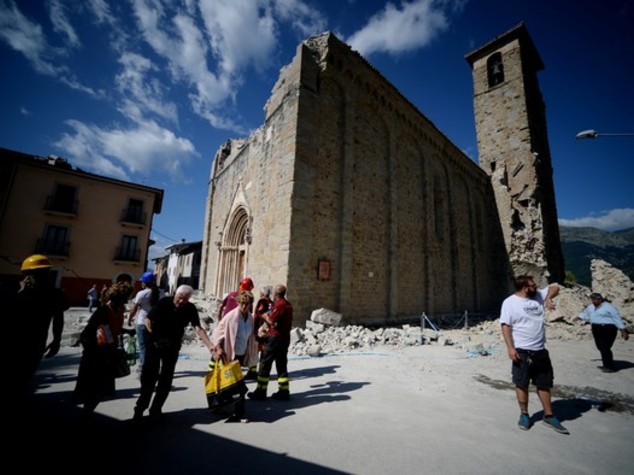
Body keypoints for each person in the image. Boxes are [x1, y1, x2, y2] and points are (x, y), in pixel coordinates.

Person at [133, 284, 214, 422]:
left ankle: (156, 409)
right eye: (180, 298)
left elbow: (198, 328)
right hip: (155, 345)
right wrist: (152, 332)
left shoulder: (190, 308)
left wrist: (211, 346)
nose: (181, 301)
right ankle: (140, 409)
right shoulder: (164, 302)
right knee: (149, 379)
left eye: (185, 299)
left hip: (172, 348)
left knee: (166, 380)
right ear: (175, 294)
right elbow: (148, 319)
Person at [500, 275, 569, 434]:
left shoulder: (538, 295)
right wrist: (510, 348)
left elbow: (556, 286)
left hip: (540, 350)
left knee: (544, 384)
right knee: (521, 383)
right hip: (521, 351)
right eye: (532, 285)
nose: (536, 286)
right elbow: (505, 326)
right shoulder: (509, 303)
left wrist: (548, 298)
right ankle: (524, 414)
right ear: (525, 287)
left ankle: (549, 415)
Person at [9, 254, 69, 404]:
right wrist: (56, 340)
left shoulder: (52, 294)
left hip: (32, 343)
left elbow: (58, 318)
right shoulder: (16, 291)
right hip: (25, 342)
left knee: (22, 376)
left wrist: (57, 340)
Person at [73, 281, 133, 415]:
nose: (127, 300)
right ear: (117, 297)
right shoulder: (102, 311)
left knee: (100, 391)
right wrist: (96, 351)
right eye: (126, 297)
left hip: (108, 355)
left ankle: (86, 413)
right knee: (92, 390)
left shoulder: (120, 309)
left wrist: (126, 331)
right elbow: (93, 334)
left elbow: (113, 329)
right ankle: (85, 415)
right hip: (96, 356)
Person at [211, 290, 258, 422]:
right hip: (230, 355)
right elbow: (217, 332)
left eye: (247, 303)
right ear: (238, 302)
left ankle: (217, 404)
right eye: (242, 303)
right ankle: (239, 413)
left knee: (230, 384)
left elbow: (251, 335)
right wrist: (219, 347)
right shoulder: (230, 317)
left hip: (241, 354)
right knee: (238, 386)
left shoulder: (250, 318)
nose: (244, 306)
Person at [248, 284, 293, 401]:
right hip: (285, 338)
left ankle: (260, 391)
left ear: (276, 294)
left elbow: (272, 320)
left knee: (265, 364)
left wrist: (263, 315)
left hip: (275, 338)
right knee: (281, 364)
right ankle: (284, 391)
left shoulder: (280, 305)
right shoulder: (288, 305)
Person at [576, 293, 629, 372]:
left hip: (608, 328)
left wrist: (623, 330)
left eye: (595, 299)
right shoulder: (591, 307)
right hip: (596, 328)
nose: (593, 301)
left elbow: (617, 318)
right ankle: (606, 365)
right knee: (600, 347)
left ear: (600, 299)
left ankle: (610, 367)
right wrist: (577, 318)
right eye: (592, 299)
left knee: (605, 347)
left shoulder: (609, 307)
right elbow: (585, 313)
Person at [127, 271, 161, 373]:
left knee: (143, 347)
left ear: (145, 282)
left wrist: (129, 319)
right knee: (153, 347)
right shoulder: (161, 293)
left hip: (142, 322)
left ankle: (143, 368)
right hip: (155, 323)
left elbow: (134, 309)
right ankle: (154, 367)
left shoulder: (141, 293)